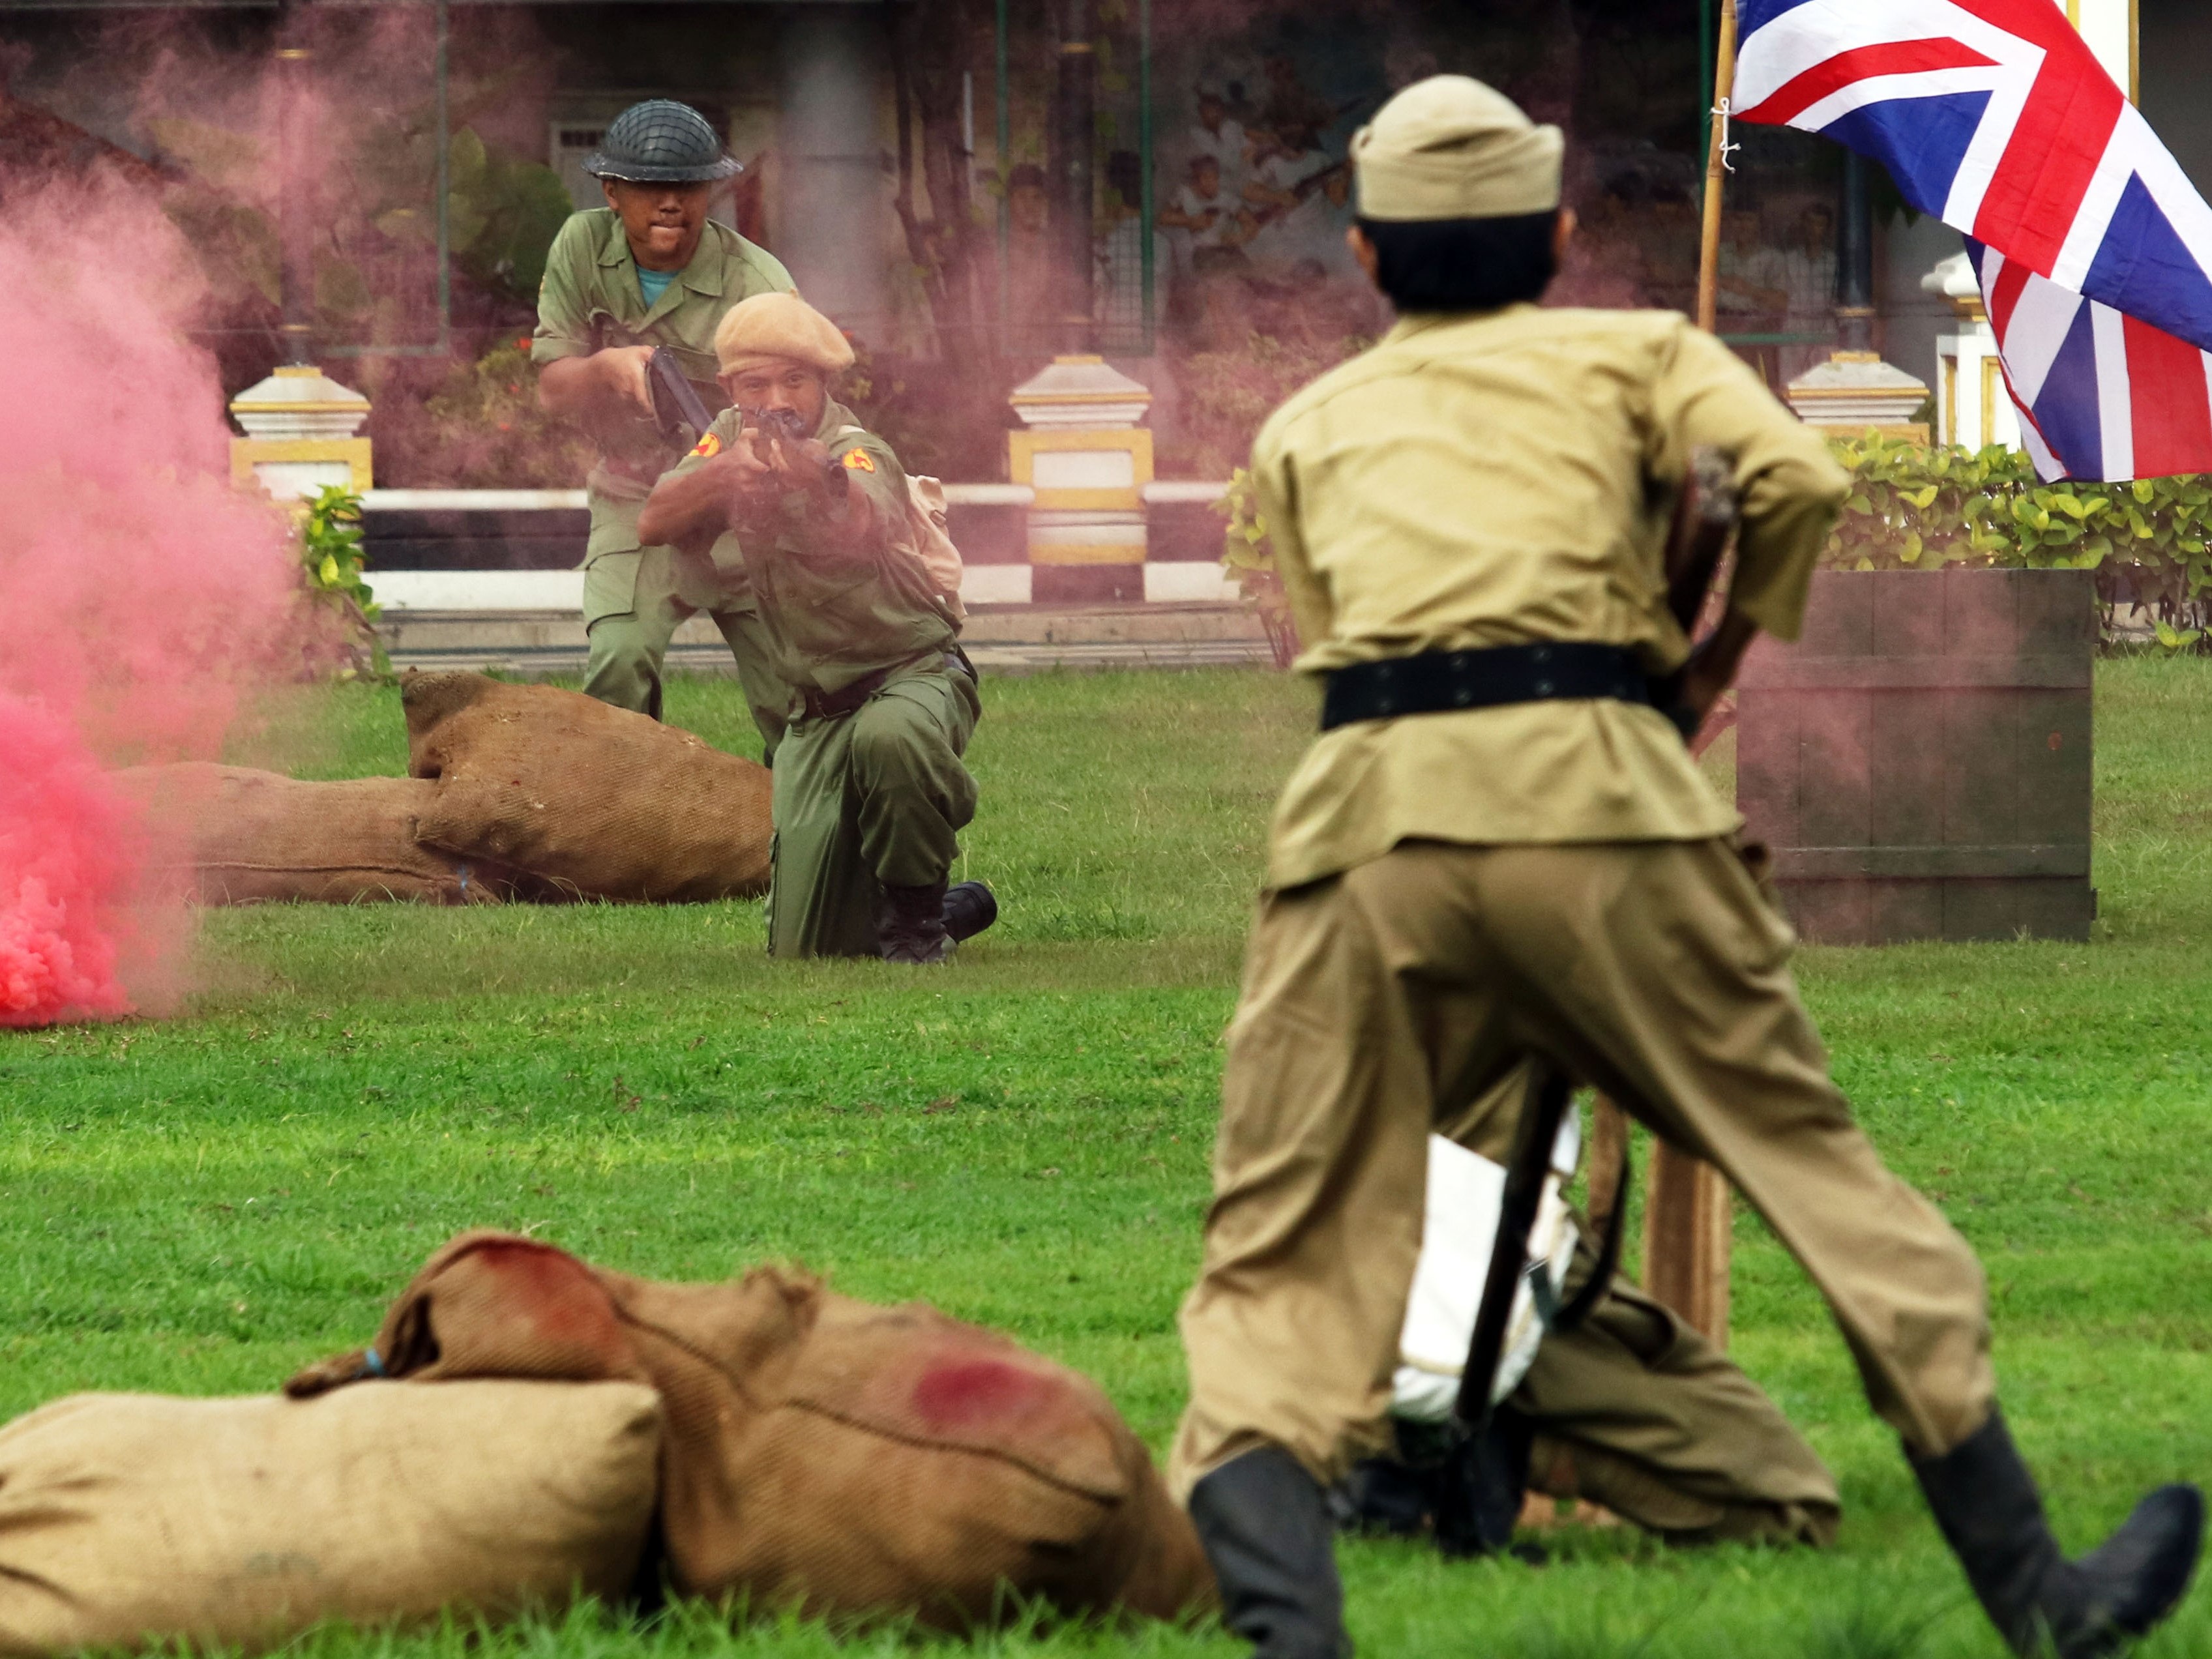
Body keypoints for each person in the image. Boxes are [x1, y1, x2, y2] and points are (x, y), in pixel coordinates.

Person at [1169, 74, 2203, 1659]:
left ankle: (1286, 1630)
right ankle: (2040, 1598)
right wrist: (1705, 667)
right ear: (1562, 239)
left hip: (1360, 832)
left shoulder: (1305, 422)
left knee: (1274, 1245)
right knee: (1815, 1175)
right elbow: (1796, 480)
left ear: (1366, 258)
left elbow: (1331, 639)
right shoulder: (1637, 350)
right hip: (1602, 805)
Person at [636, 293, 992, 965]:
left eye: (796, 381)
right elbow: (655, 520)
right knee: (810, 949)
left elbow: (867, 519)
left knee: (895, 740)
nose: (779, 400)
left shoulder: (857, 450)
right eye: (756, 385)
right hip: (818, 713)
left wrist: (814, 478)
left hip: (909, 677)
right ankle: (950, 909)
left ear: (825, 383)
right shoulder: (727, 438)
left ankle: (917, 924)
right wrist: (726, 476)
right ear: (731, 390)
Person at [533, 98, 798, 756]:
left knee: (796, 699)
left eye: (687, 185)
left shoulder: (759, 285)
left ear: (712, 191)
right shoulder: (581, 246)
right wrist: (605, 369)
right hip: (633, 497)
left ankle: (806, 844)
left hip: (744, 513)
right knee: (618, 662)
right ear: (612, 192)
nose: (670, 203)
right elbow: (550, 387)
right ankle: (621, 838)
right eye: (650, 187)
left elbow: (805, 414)